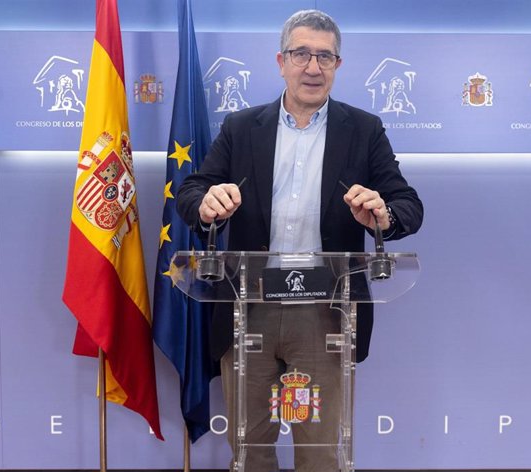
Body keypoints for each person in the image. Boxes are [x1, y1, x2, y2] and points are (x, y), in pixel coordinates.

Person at [176, 9, 423, 471]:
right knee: (249, 453)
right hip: (250, 306)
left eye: (324, 57)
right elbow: (191, 192)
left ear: (338, 65)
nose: (313, 67)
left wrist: (382, 213)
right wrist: (207, 202)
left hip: (326, 312)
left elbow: (408, 205)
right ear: (281, 60)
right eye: (302, 54)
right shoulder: (241, 126)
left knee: (320, 453)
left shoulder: (364, 130)